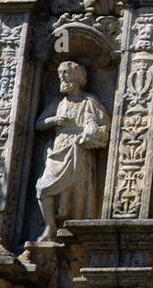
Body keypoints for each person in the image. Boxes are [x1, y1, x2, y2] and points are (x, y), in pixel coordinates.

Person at [35, 61, 109, 241]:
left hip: (79, 148)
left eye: (66, 74)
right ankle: (50, 226)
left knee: (77, 189)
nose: (62, 78)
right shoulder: (59, 103)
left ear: (76, 77)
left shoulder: (89, 102)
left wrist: (88, 134)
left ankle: (75, 226)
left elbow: (104, 124)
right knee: (43, 187)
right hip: (59, 147)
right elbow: (39, 124)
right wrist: (54, 120)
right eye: (60, 74)